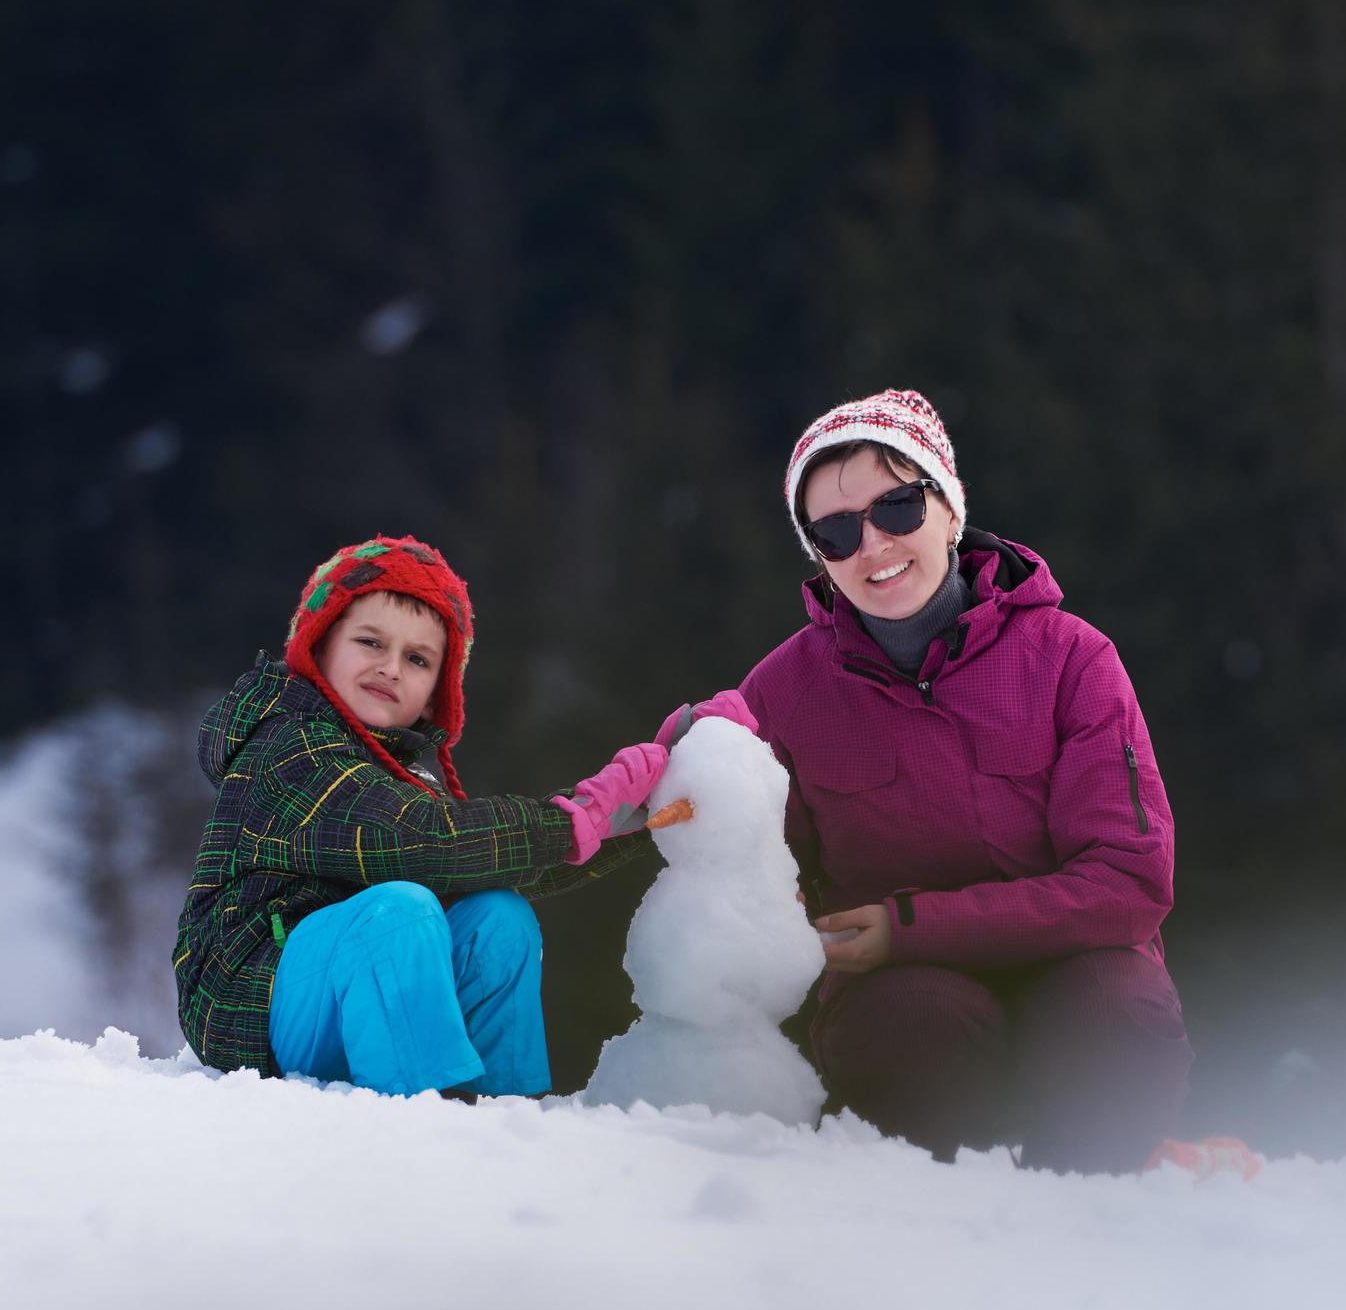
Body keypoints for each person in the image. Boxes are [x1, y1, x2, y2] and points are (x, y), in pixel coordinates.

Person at [740, 391, 1192, 1171]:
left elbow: (1129, 881)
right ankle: (941, 1235)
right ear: (817, 556)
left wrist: (911, 924)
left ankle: (1104, 1217)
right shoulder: (781, 694)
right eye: (837, 532)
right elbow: (760, 886)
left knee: (1114, 1020)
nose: (873, 545)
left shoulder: (1071, 659)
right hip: (902, 996)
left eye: (898, 508)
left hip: (1079, 971)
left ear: (949, 510)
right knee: (912, 1031)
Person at [173, 533, 750, 1098]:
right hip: (252, 1001)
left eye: (416, 658)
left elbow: (484, 861)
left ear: (433, 696)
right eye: (371, 642)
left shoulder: (395, 771)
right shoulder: (289, 748)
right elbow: (424, 844)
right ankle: (428, 1127)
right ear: (320, 645)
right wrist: (575, 813)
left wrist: (636, 809)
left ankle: (499, 1117)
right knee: (400, 911)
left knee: (497, 914)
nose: (391, 668)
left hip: (351, 994)